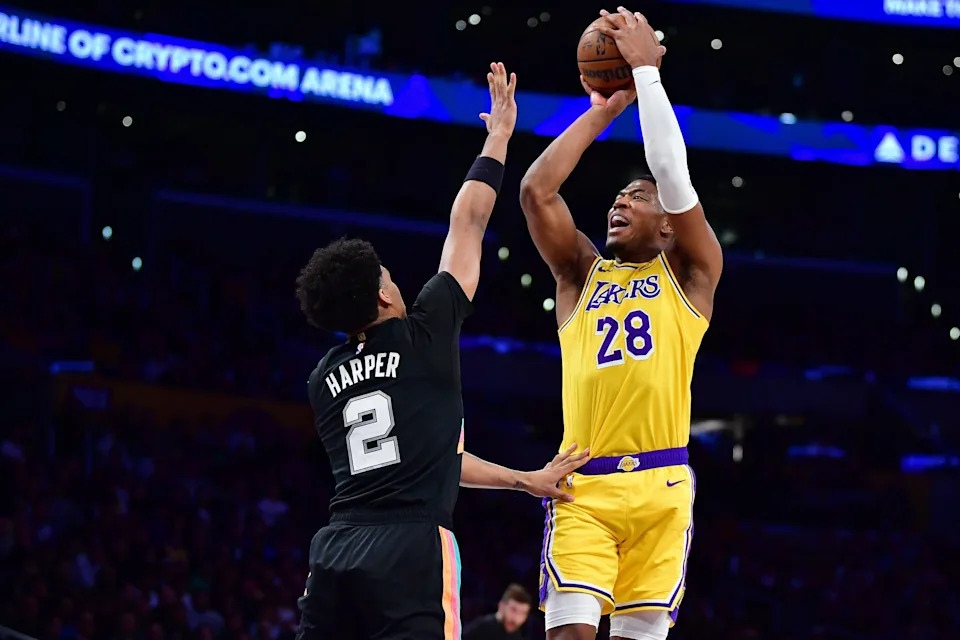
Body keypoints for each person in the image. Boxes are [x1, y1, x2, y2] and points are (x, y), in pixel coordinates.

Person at [293, 63, 590, 640]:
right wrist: (498, 136)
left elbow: (430, 460)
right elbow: (470, 220)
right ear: (382, 295)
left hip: (335, 547)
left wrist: (523, 480)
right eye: (388, 273)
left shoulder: (321, 380)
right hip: (410, 548)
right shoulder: (425, 333)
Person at [518, 8, 723, 640]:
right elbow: (537, 192)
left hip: (663, 486)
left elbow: (673, 175)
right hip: (583, 485)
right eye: (617, 196)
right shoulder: (581, 275)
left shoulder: (691, 276)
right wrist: (603, 111)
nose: (619, 200)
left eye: (636, 196)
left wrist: (648, 75)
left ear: (668, 223)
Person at [463, 583, 533, 640]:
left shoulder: (517, 636)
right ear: (501, 606)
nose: (516, 618)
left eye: (523, 613)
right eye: (513, 610)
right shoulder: (480, 628)